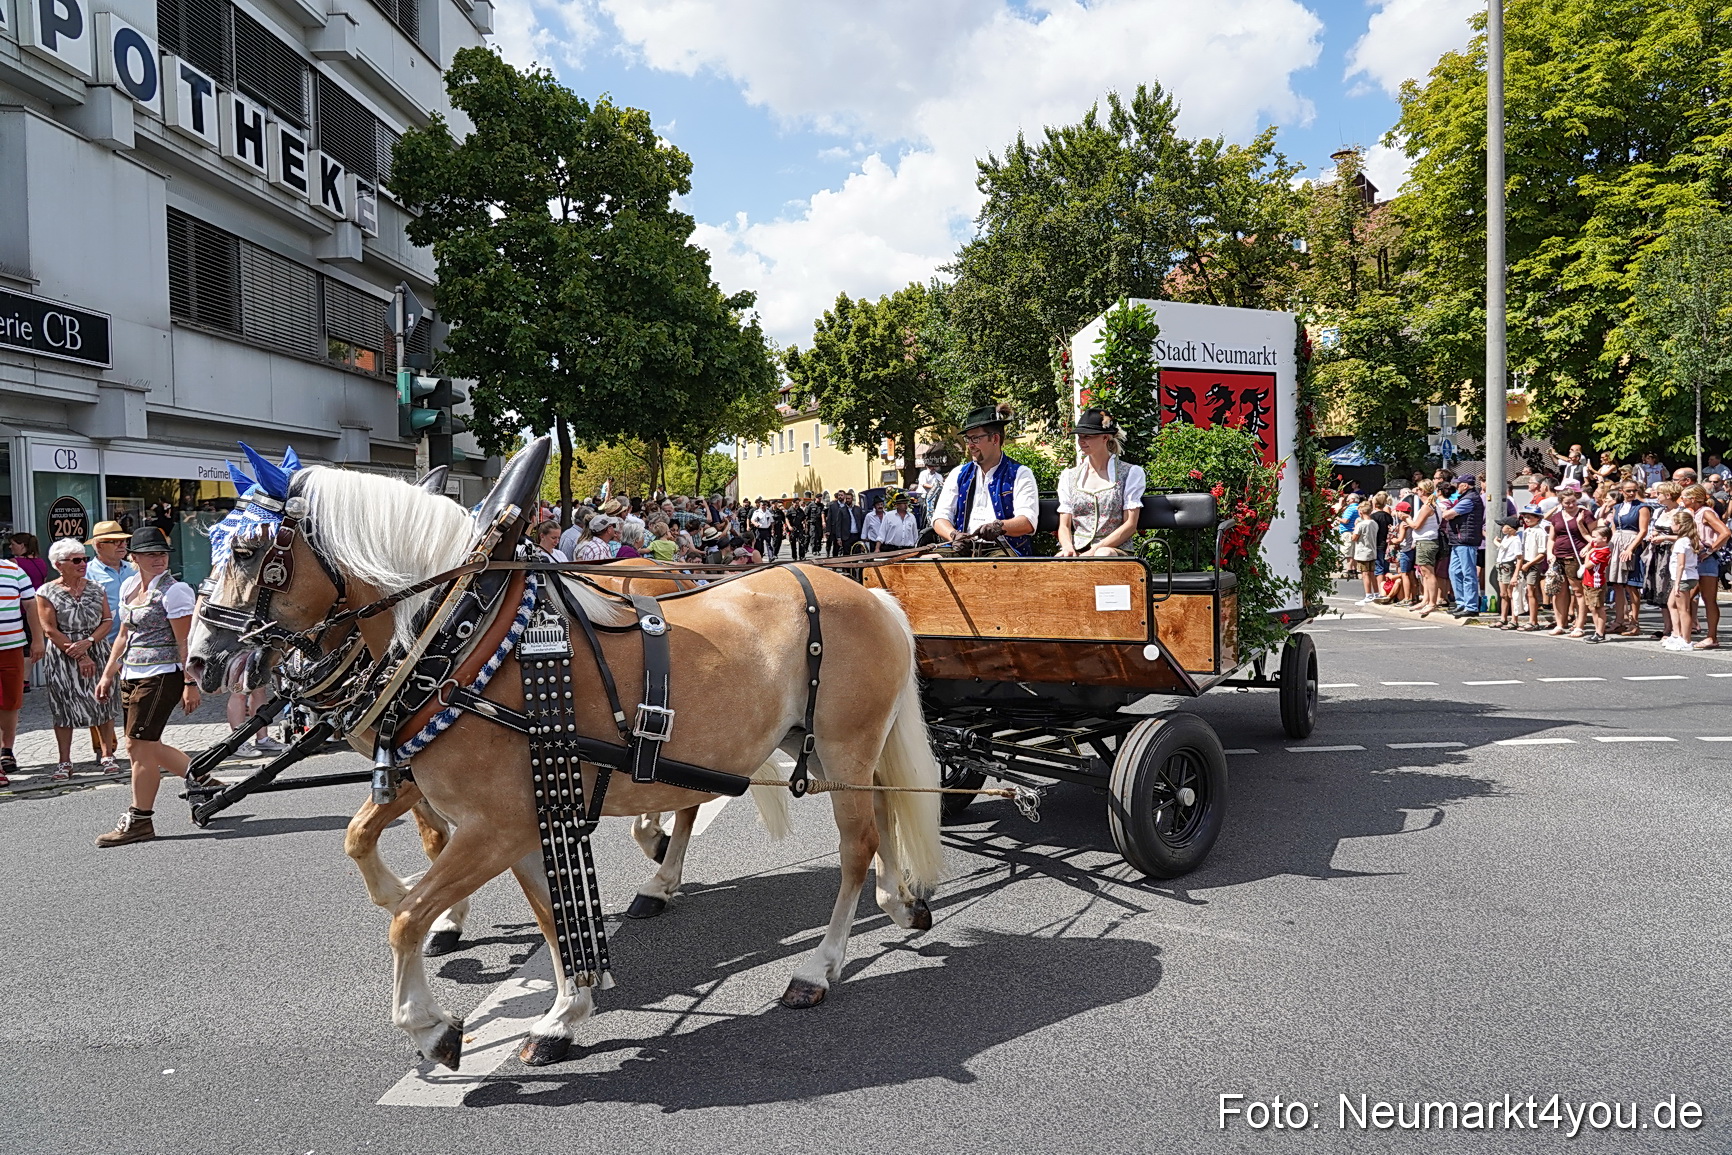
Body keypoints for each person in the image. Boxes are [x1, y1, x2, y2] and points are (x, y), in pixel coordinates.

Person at [91, 528, 201, 847]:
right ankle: (204, 779)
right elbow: (124, 636)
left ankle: (140, 820)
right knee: (145, 745)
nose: (159, 559)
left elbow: (186, 642)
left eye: (163, 553)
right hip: (132, 673)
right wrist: (109, 674)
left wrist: (190, 682)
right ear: (133, 558)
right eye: (151, 553)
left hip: (163, 674)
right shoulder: (128, 586)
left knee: (137, 746)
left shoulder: (175, 591)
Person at [37, 537, 122, 779]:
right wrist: (80, 654)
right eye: (76, 560)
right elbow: (49, 629)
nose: (82, 564)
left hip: (96, 648)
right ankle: (65, 761)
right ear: (58, 564)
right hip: (63, 655)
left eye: (84, 559)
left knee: (103, 702)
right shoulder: (46, 592)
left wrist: (90, 642)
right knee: (63, 707)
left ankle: (107, 755)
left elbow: (107, 620)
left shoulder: (96, 588)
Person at [933, 404, 1038, 554]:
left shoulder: (1020, 473)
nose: (970, 445)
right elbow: (940, 518)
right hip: (963, 548)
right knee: (926, 566)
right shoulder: (958, 474)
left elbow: (1028, 522)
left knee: (993, 570)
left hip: (1003, 547)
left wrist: (999, 527)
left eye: (975, 438)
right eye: (968, 439)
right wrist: (954, 535)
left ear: (995, 438)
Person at [1056, 409, 1147, 557]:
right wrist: (1067, 548)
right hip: (1079, 549)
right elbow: (1064, 525)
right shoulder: (1069, 476)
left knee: (1103, 553)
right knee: (1058, 561)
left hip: (1115, 549)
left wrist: (1094, 551)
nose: (1081, 441)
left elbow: (1130, 525)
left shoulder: (1130, 473)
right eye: (1080, 436)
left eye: (1088, 436)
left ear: (1105, 438)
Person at [0, 548, 43, 786]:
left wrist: (37, 639)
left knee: (10, 702)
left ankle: (7, 749)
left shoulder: (14, 571)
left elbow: (30, 606)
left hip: (12, 647)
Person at [1680, 484, 1729, 649]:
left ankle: (1712, 637)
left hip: (1706, 560)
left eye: (1684, 497)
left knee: (1708, 600)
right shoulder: (1691, 513)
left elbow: (1725, 532)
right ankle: (1684, 633)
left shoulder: (1706, 513)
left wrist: (1710, 550)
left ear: (1693, 499)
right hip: (1693, 558)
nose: (1682, 500)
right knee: (1686, 596)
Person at [1543, 488, 1592, 637]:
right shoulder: (1557, 517)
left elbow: (1593, 536)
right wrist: (1550, 553)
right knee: (1558, 591)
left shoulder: (1585, 514)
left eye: (1573, 501)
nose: (1571, 505)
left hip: (1576, 555)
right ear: (1561, 503)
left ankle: (1579, 624)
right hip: (1559, 557)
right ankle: (1560, 624)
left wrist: (1587, 547)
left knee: (1578, 591)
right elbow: (1551, 538)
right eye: (1567, 503)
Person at [1606, 481, 1650, 636]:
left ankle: (1634, 623)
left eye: (1634, 491)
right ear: (1621, 491)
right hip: (1617, 542)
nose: (1631, 493)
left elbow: (1643, 531)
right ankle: (1619, 620)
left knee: (1631, 586)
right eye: (1628, 491)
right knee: (1617, 584)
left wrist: (1631, 548)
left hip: (1631, 543)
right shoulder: (1617, 507)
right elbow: (1613, 527)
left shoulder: (1642, 507)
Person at [1439, 474, 1485, 616]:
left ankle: (1471, 607)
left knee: (1468, 574)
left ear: (1465, 485)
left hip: (1466, 541)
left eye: (1458, 484)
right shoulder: (1465, 498)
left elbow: (1448, 515)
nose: (1456, 487)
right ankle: (1461, 603)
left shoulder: (1470, 500)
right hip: (1458, 541)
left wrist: (1445, 511)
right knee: (1454, 572)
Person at [85, 521, 135, 645]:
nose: (122, 545)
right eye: (116, 542)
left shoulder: (135, 569)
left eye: (124, 541)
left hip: (135, 643)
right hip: (102, 644)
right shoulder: (86, 573)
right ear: (99, 545)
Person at [1665, 509, 1702, 650]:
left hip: (1683, 579)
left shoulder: (1681, 542)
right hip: (1688, 577)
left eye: (1673, 523)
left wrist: (1677, 584)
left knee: (1683, 609)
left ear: (1680, 525)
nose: (1671, 525)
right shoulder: (1689, 540)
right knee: (1671, 604)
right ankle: (1677, 634)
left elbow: (1681, 564)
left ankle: (1686, 641)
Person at [1409, 480, 1443, 617]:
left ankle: (1431, 603)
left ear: (1422, 491)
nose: (1416, 491)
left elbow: (1416, 525)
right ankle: (1426, 600)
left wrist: (1406, 519)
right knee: (1424, 573)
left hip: (1426, 542)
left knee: (1428, 573)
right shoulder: (1433, 505)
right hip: (1426, 541)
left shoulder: (1427, 507)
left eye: (1418, 489)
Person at [1513, 504, 1549, 630]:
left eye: (1529, 517)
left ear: (1538, 518)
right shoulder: (1526, 531)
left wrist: (1528, 564)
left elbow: (1542, 553)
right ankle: (1527, 617)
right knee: (1524, 591)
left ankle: (1533, 621)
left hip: (1533, 564)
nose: (1527, 520)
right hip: (1525, 563)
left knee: (1531, 591)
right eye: (1525, 518)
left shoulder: (1540, 532)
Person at [1579, 524, 1613, 643]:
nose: (1592, 540)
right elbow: (1585, 535)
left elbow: (1588, 565)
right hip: (1588, 581)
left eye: (1595, 537)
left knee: (1598, 608)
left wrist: (1587, 554)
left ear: (1604, 539)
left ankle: (1600, 632)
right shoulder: (1596, 546)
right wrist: (1580, 523)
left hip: (1596, 582)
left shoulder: (1603, 551)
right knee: (1592, 608)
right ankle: (1597, 631)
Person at [1491, 517, 1523, 630]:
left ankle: (1514, 620)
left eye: (1503, 526)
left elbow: (1519, 557)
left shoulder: (1516, 540)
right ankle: (1503, 618)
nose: (1501, 528)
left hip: (1508, 566)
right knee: (1503, 594)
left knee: (1511, 594)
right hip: (1501, 565)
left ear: (1510, 528)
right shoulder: (1506, 538)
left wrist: (1515, 574)